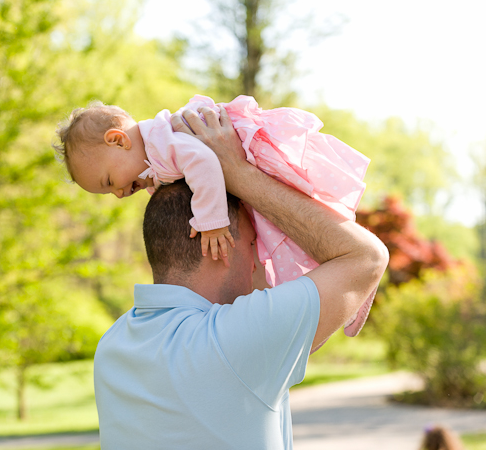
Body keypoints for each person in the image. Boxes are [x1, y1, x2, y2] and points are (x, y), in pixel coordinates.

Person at [93, 107, 389, 449]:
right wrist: (237, 172)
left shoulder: (113, 348)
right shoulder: (236, 339)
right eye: (253, 244)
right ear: (217, 247)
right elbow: (368, 257)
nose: (258, 264)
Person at [54, 94, 375, 337]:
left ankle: (348, 281)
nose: (119, 193)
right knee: (273, 244)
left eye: (110, 182)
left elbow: (202, 163)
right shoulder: (153, 159)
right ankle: (342, 285)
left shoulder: (162, 142)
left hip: (254, 158)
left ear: (118, 140)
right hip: (241, 171)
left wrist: (212, 223)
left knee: (288, 231)